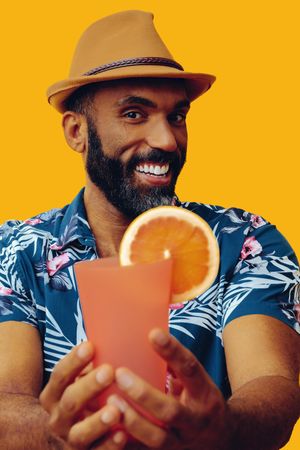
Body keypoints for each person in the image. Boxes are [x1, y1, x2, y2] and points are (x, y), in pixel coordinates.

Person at [0, 10, 299, 450]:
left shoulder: (247, 241)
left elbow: (274, 384)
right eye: (135, 113)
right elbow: (5, 399)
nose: (166, 140)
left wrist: (223, 430)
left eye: (177, 116)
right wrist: (54, 432)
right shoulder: (16, 250)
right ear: (77, 131)